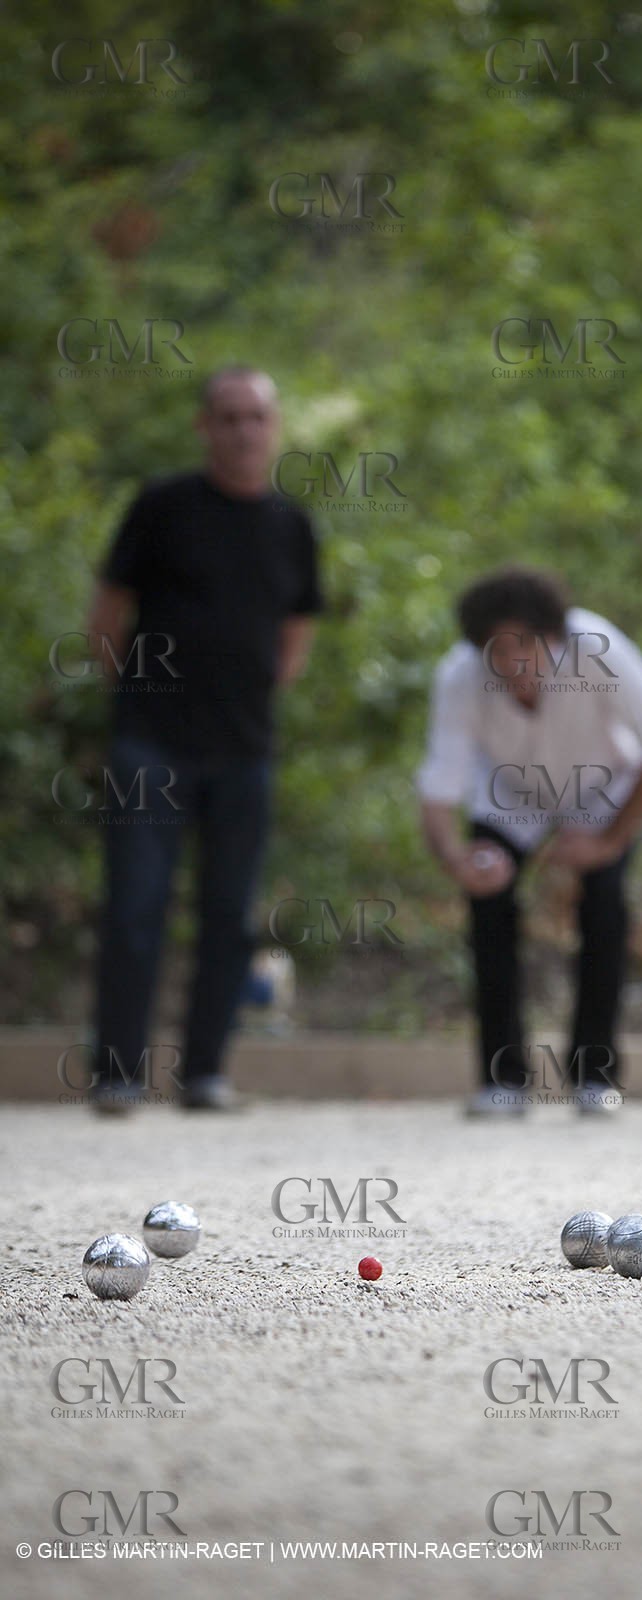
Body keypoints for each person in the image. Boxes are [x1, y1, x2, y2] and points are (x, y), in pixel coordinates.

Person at [87, 367, 323, 1112]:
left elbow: (296, 632)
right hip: (149, 745)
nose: (242, 430)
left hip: (244, 749)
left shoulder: (292, 524)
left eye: (255, 417)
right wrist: (136, 694)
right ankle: (119, 1074)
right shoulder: (162, 507)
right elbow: (107, 615)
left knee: (230, 914)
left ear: (273, 428)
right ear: (204, 427)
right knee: (135, 906)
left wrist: (250, 694)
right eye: (227, 417)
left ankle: (205, 1073)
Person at [417, 568, 642, 1116]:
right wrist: (456, 859)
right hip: (509, 795)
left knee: (605, 909)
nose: (515, 665)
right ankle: (503, 1079)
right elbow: (439, 787)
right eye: (500, 653)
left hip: (602, 788)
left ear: (555, 636)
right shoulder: (458, 677)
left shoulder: (598, 646)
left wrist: (611, 841)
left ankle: (595, 1074)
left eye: (527, 647)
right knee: (488, 909)